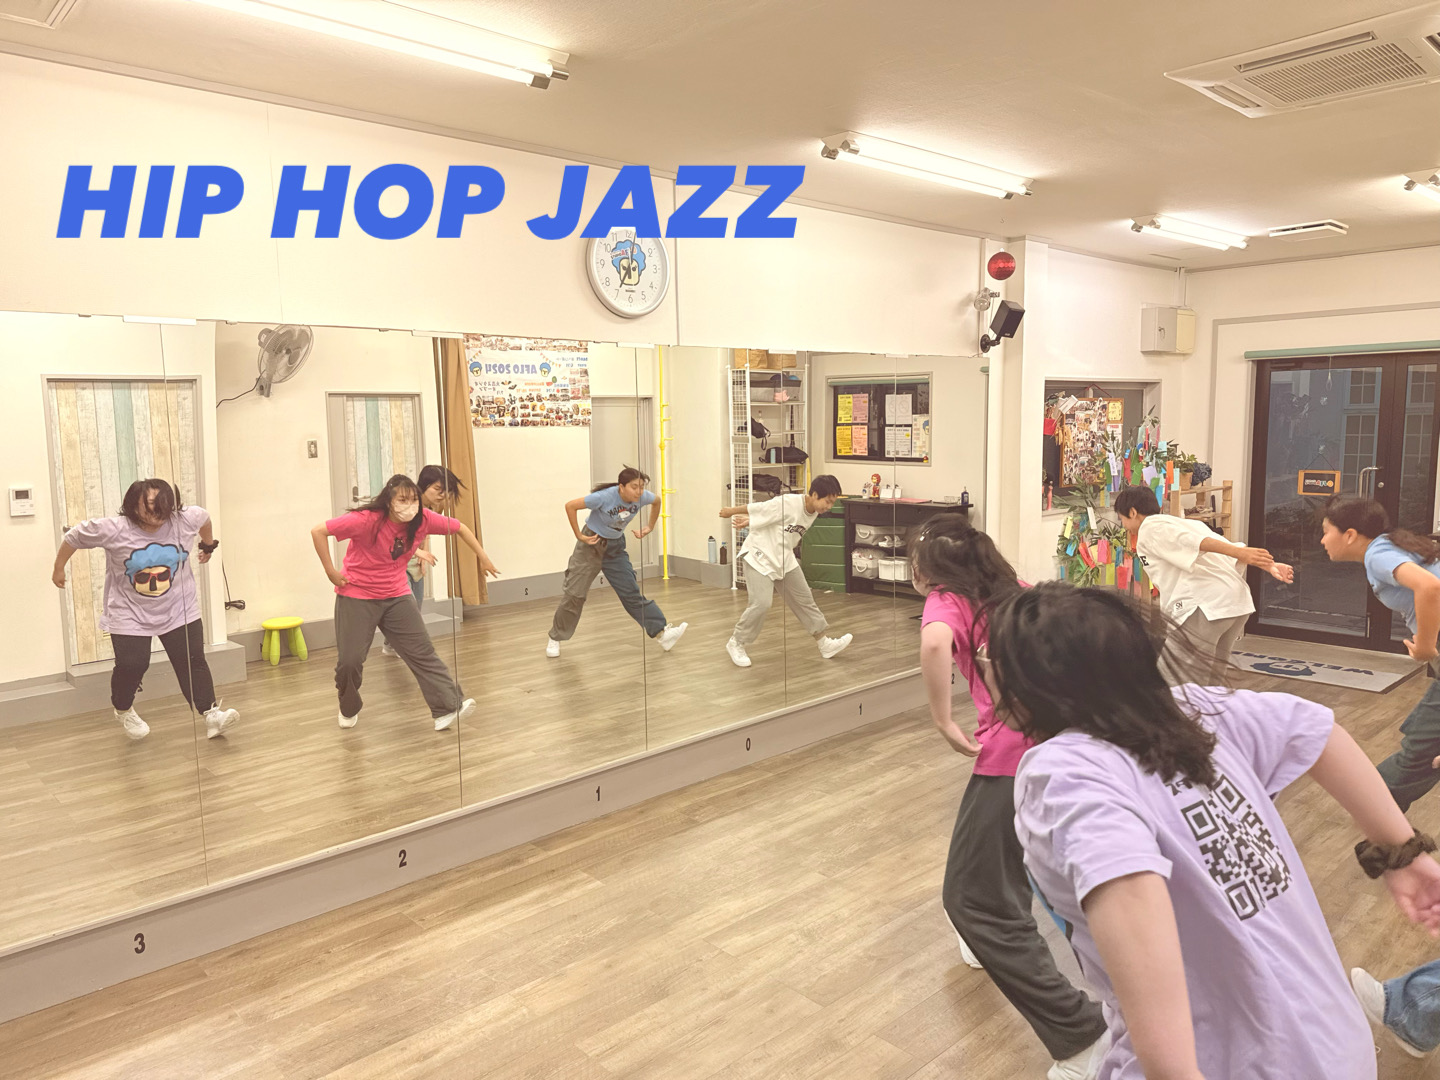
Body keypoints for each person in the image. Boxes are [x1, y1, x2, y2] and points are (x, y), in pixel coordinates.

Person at [983, 583, 1440, 1080]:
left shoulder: (1062, 771)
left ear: (1028, 686)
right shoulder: (1194, 709)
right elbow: (1320, 731)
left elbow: (1125, 880)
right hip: (1339, 1046)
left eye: (991, 658)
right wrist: (1404, 854)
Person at [910, 515, 1109, 1080]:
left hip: (1014, 756)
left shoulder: (948, 599)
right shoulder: (1013, 590)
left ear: (929, 568)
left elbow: (934, 642)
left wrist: (942, 720)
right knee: (1007, 860)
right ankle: (986, 940)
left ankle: (1083, 1037)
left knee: (971, 900)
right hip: (1067, 742)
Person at [51, 478, 238, 740]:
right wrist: (59, 567)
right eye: (149, 505)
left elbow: (204, 519)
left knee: (193, 660)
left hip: (179, 607)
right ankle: (123, 708)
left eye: (162, 505)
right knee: (133, 665)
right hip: (129, 612)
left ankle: (211, 714)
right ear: (132, 505)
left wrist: (208, 545)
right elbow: (74, 536)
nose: (156, 512)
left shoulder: (185, 519)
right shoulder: (114, 529)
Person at [311, 474, 499, 731]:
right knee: (350, 662)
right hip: (357, 595)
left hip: (397, 595)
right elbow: (319, 531)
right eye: (402, 500)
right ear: (389, 501)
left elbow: (461, 528)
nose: (409, 506)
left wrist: (483, 558)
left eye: (413, 500)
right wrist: (330, 571)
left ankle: (447, 708)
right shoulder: (367, 520)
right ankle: (348, 705)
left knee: (422, 652)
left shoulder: (423, 519)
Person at [1320, 497, 1440, 811]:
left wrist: (1425, 647)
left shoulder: (1378, 554)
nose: (1322, 540)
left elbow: (1429, 586)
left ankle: (1380, 820)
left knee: (1420, 750)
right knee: (1421, 743)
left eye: (1326, 531)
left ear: (1349, 535)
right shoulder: (1390, 545)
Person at [1115, 484, 1293, 681]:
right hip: (1235, 605)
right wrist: (1269, 564)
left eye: (1122, 518)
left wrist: (1242, 553)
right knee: (1213, 678)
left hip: (1205, 606)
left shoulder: (1150, 528)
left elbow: (1197, 543)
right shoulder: (1186, 524)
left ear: (1132, 512)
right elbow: (1224, 547)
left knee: (1173, 679)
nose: (1124, 526)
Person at [545, 467, 686, 657]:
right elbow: (570, 506)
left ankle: (662, 634)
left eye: (642, 487)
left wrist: (650, 526)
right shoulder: (603, 497)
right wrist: (579, 535)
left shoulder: (642, 497)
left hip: (615, 547)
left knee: (631, 592)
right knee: (575, 594)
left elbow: (657, 501)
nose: (639, 492)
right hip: (591, 545)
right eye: (634, 487)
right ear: (621, 487)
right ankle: (555, 637)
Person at [717, 475, 852, 668]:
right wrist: (732, 511)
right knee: (762, 603)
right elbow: (761, 508)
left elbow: (777, 522)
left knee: (805, 600)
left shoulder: (814, 511)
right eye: (827, 501)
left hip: (783, 558)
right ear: (814, 494)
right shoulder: (789, 502)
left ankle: (824, 644)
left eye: (832, 503)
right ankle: (736, 642)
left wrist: (750, 522)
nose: (829, 507)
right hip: (760, 555)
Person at [381, 464, 466, 658]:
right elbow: (396, 536)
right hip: (398, 560)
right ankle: (408, 647)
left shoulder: (435, 506)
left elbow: (426, 530)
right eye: (438, 489)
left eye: (445, 490)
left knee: (416, 605)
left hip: (415, 561)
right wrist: (418, 552)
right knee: (408, 607)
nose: (442, 495)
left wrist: (424, 552)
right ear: (424, 486)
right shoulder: (410, 505)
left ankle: (389, 644)